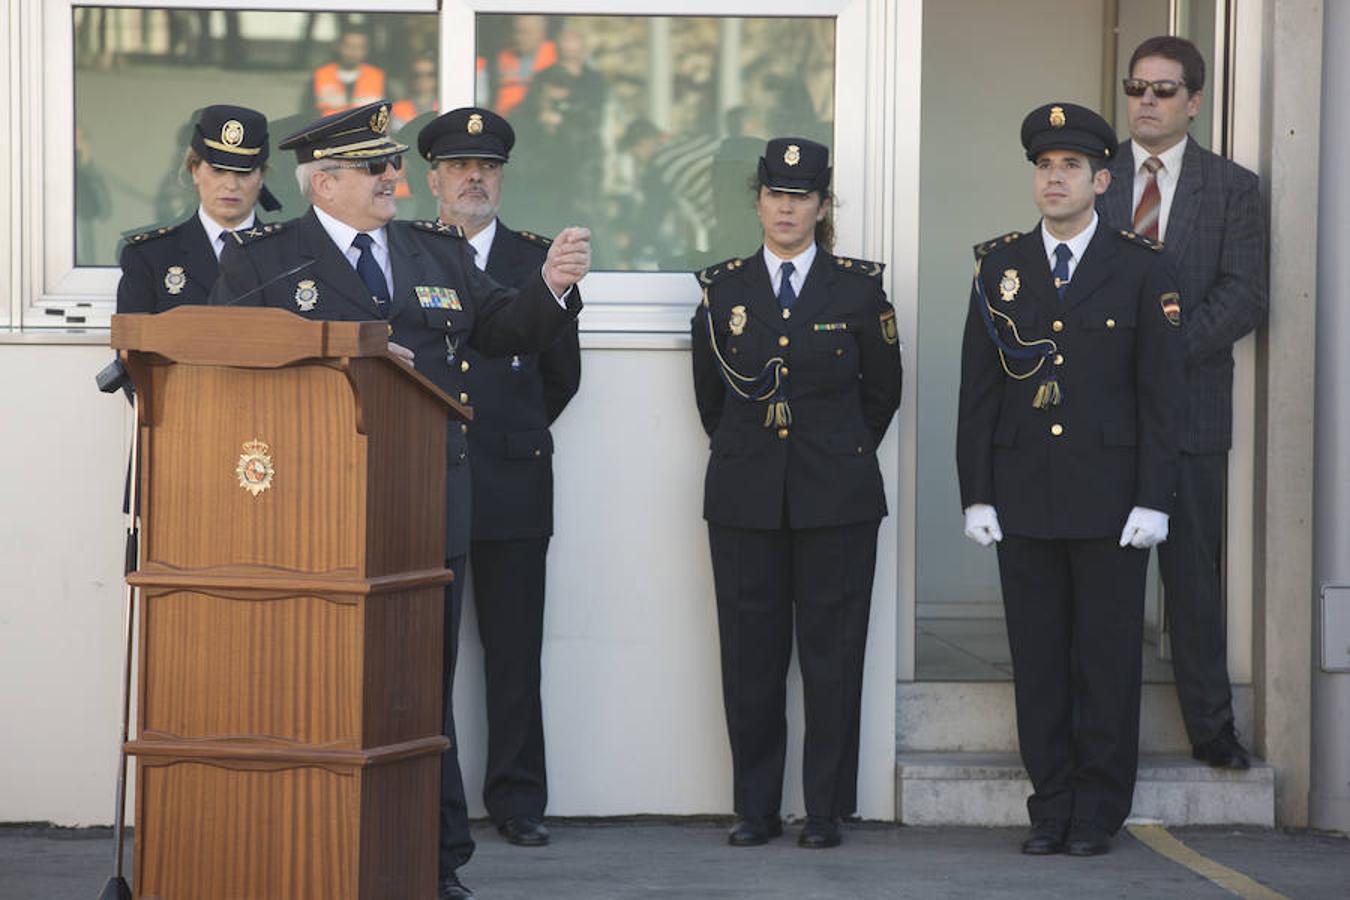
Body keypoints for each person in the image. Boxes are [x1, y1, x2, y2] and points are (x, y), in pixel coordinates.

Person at [207, 99, 591, 900]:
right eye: (376, 166)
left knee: (422, 694)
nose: (395, 176)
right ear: (325, 182)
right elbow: (233, 383)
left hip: (429, 508)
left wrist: (550, 288)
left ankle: (433, 858)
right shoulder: (264, 260)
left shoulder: (435, 252)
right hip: (317, 515)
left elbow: (502, 331)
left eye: (392, 163)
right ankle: (315, 847)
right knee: (319, 685)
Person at [956, 103, 1185, 856]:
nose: (1054, 179)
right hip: (1024, 500)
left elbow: (1161, 395)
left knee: (1108, 662)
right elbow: (979, 392)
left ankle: (1097, 811)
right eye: (1044, 167)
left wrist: (1154, 497)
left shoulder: (1142, 266)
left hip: (1113, 503)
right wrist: (977, 492)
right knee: (1041, 661)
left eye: (1070, 168)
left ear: (1101, 179)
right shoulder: (1001, 266)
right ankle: (1050, 805)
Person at [690, 137, 903, 850]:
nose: (787, 207)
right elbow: (712, 401)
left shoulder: (859, 290)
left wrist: (832, 456)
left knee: (833, 655)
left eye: (802, 195)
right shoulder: (724, 290)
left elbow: (882, 394)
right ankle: (754, 807)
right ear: (758, 200)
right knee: (750, 659)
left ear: (821, 204)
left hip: (836, 499)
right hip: (746, 498)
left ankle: (825, 810)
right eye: (776, 194)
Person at [1099, 35, 1267, 771]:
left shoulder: (1233, 188)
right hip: (1101, 421)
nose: (1147, 101)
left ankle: (1212, 728)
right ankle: (1100, 736)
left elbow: (1245, 295)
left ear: (1194, 102)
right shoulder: (1092, 177)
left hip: (1193, 414)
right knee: (1103, 586)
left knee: (1193, 580)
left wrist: (1164, 355)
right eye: (1138, 87)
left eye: (1164, 90)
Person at [417, 107, 582, 850]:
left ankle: (517, 798)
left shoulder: (537, 260)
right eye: (458, 167)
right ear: (433, 179)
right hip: (425, 478)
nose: (473, 178)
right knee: (424, 653)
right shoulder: (404, 252)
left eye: (485, 167)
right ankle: (424, 797)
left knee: (515, 652)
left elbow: (562, 377)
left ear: (502, 177)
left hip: (513, 477)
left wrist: (509, 431)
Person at [117, 104, 280, 313]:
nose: (231, 185)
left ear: (261, 177)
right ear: (194, 171)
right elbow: (132, 342)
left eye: (243, 173)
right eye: (218, 171)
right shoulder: (151, 256)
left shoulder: (290, 255)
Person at [312, 28, 386, 117]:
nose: (353, 52)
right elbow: (307, 112)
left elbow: (388, 114)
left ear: (366, 50)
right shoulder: (321, 74)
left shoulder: (378, 76)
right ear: (338, 47)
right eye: (348, 46)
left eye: (359, 47)